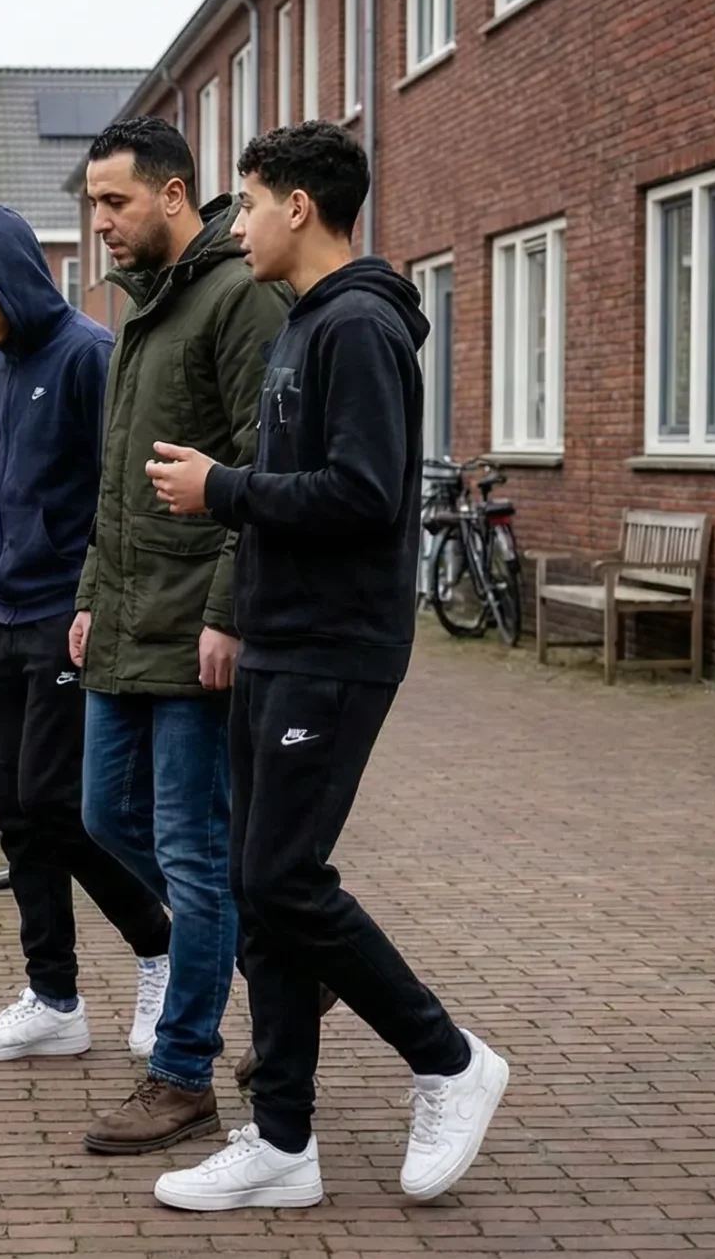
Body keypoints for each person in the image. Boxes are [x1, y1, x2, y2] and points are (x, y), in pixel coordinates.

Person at [142, 122, 509, 1211]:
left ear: (298, 207)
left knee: (281, 882)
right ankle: (281, 1143)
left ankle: (448, 1059)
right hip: (279, 639)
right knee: (260, 898)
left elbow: (364, 492)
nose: (236, 226)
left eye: (249, 203)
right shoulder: (306, 323)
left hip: (335, 649)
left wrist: (222, 489)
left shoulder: (358, 326)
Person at [70, 118, 286, 1156]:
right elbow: (116, 480)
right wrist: (88, 593)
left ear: (173, 193)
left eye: (114, 201)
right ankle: (287, 950)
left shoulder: (238, 297)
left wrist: (228, 609)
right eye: (91, 205)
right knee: (104, 815)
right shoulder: (142, 310)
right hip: (125, 618)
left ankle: (184, 1072)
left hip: (195, 623)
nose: (99, 223)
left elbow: (262, 465)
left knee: (193, 855)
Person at [0, 204, 174, 1067]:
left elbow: (124, 495)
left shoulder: (89, 356)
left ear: (15, 279)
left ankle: (159, 948)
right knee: (17, 816)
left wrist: (100, 602)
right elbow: (5, 489)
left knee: (60, 806)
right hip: (3, 617)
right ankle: (54, 999)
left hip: (70, 619)